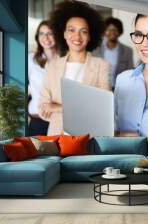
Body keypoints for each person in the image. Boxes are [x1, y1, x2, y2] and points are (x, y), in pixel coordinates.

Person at [38, 1, 110, 135]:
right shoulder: (52, 66)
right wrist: (80, 107)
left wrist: (57, 108)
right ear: (64, 33)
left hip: (89, 137)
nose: (77, 36)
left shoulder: (101, 65)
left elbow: (102, 107)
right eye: (71, 30)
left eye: (83, 32)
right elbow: (43, 107)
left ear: (89, 37)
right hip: (57, 138)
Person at [28, 20, 58, 136]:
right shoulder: (31, 59)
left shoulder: (65, 60)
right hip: (37, 121)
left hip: (60, 121)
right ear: (37, 37)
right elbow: (21, 87)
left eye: (50, 33)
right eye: (42, 33)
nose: (45, 37)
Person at [93, 17, 134, 90]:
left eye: (115, 30)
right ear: (104, 32)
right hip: (99, 89)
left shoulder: (127, 51)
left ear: (120, 32)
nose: (112, 32)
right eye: (108, 29)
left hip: (120, 90)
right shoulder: (96, 50)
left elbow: (130, 73)